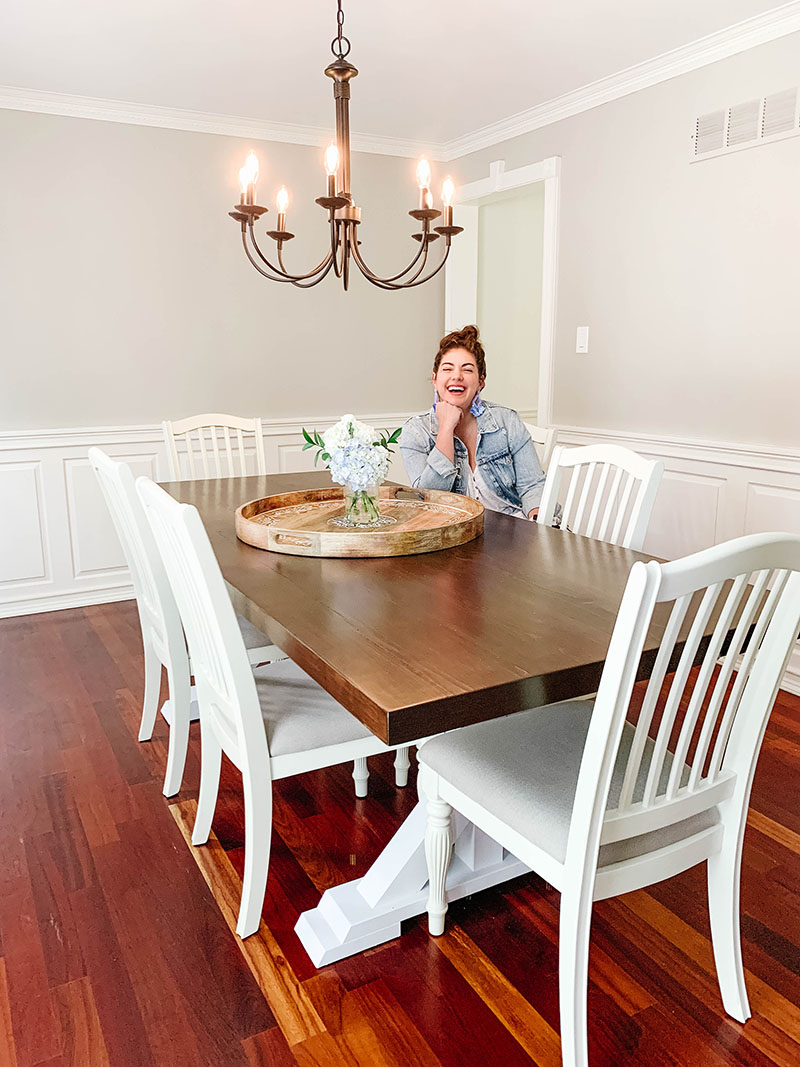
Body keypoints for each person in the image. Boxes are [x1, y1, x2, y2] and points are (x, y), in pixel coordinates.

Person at [400, 324, 546, 519]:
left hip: (513, 530)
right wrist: (445, 429)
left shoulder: (506, 421)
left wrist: (537, 524)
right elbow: (429, 501)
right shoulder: (416, 431)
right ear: (435, 379)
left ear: (480, 382)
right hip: (455, 535)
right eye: (447, 368)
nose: (457, 376)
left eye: (467, 370)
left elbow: (532, 485)